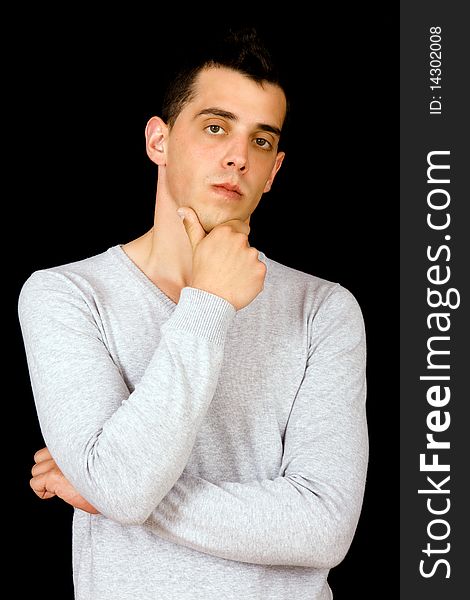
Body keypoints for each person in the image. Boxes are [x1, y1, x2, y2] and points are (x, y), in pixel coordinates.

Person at [18, 27, 368, 600]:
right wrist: (208, 305)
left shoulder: (323, 309)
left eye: (260, 141)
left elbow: (324, 527)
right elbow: (124, 488)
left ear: (274, 170)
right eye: (215, 127)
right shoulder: (67, 295)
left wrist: (105, 486)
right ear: (159, 141)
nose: (237, 156)